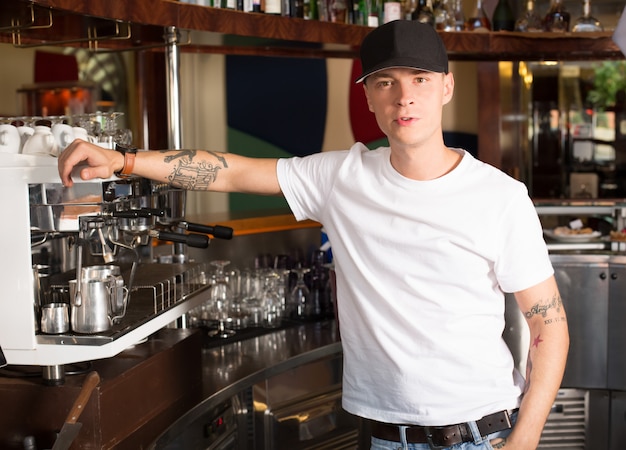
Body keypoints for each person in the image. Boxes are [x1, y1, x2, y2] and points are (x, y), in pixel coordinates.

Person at [58, 20, 569, 450]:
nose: (404, 96)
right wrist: (123, 162)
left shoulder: (499, 197)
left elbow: (549, 329)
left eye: (420, 79)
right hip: (383, 436)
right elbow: (231, 172)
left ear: (446, 87)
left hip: (480, 435)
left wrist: (523, 443)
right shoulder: (340, 178)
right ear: (368, 95)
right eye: (386, 82)